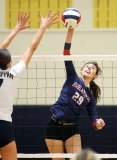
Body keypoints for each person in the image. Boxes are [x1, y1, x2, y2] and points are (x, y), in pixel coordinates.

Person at [0, 11, 58, 160]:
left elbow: (0, 50)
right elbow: (31, 48)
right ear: (10, 63)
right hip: (3, 127)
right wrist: (42, 27)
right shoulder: (13, 73)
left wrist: (16, 29)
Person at [45, 28, 105, 160]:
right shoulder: (73, 77)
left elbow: (94, 119)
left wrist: (99, 124)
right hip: (55, 125)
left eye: (92, 68)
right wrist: (70, 31)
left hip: (72, 129)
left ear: (95, 76)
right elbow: (66, 53)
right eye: (87, 66)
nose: (89, 68)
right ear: (81, 70)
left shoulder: (89, 96)